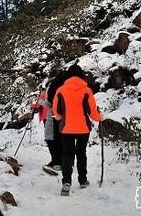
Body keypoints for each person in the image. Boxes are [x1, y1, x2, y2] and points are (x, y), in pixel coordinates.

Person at [52, 64, 103, 196]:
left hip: (66, 128)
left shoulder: (61, 90)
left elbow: (56, 111)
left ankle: (66, 182)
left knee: (67, 154)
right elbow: (92, 112)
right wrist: (99, 117)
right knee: (81, 153)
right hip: (83, 128)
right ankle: (83, 180)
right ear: (81, 75)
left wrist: (60, 118)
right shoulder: (86, 90)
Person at [41, 71, 69, 172]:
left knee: (50, 135)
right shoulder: (64, 83)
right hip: (66, 114)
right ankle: (63, 161)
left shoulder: (52, 86)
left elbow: (48, 104)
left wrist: (40, 102)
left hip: (53, 114)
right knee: (61, 137)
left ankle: (56, 161)